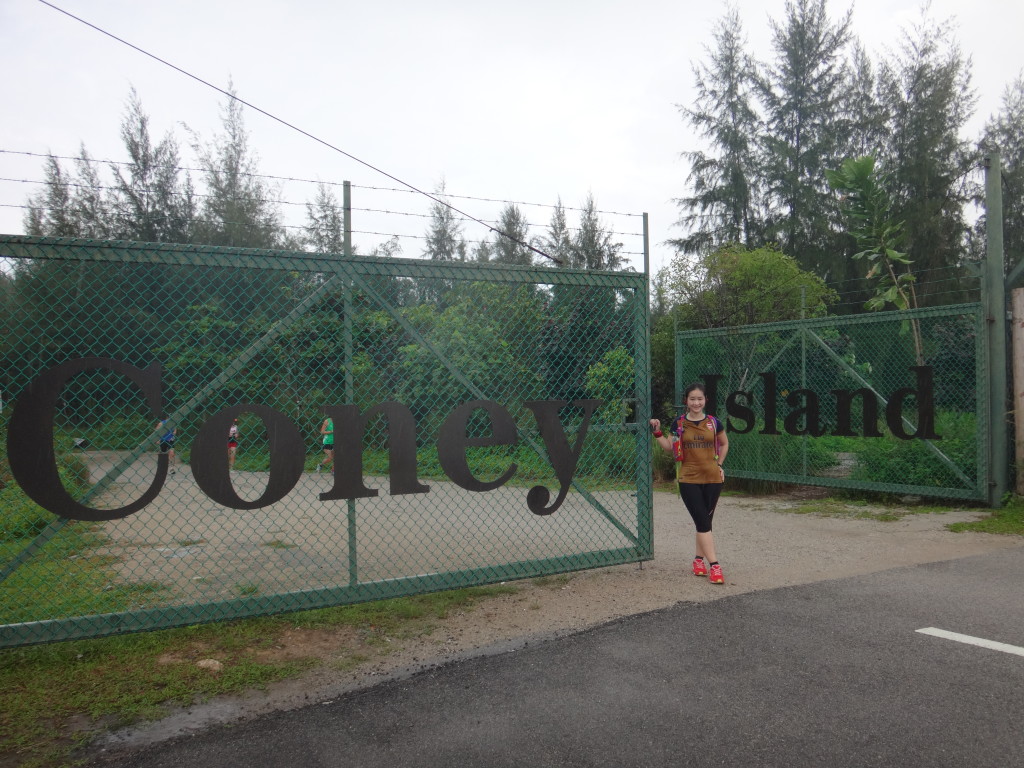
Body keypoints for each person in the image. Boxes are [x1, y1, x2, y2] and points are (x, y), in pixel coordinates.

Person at [650, 382, 730, 584]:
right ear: (686, 401)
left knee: (704, 522)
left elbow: (724, 443)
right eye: (692, 399)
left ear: (705, 401)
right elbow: (669, 447)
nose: (696, 402)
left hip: (713, 478)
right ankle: (715, 566)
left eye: (700, 399)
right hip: (688, 479)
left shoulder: (714, 423)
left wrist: (719, 464)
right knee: (703, 522)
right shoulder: (678, 423)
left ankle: (697, 561)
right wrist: (657, 432)